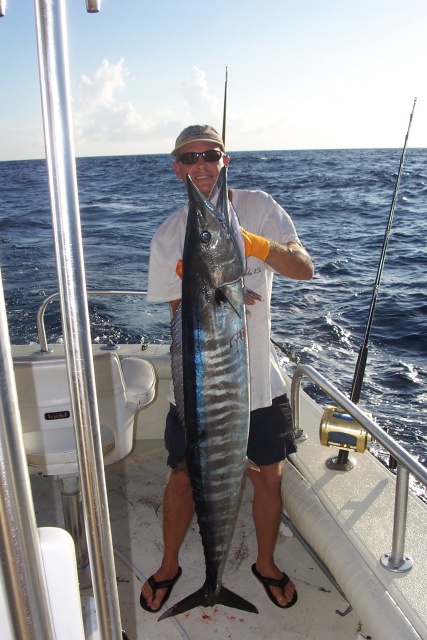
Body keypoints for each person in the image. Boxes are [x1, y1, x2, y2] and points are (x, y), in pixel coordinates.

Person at [141, 124, 314, 613]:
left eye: (209, 155)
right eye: (189, 158)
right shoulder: (171, 234)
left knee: (268, 479)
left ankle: (264, 563)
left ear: (224, 160)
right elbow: (180, 320)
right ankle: (172, 565)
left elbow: (304, 267)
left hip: (260, 384)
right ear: (176, 166)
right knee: (181, 479)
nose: (200, 166)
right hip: (201, 389)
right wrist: (216, 295)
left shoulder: (258, 206)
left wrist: (257, 247)